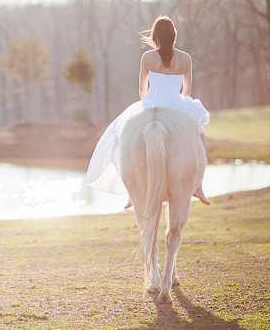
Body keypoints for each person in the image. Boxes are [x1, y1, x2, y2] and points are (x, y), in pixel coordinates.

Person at [84, 16, 210, 208]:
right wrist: (181, 103)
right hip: (177, 103)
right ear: (174, 35)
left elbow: (142, 89)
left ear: (155, 36)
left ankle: (131, 191)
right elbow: (187, 91)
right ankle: (198, 186)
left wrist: (147, 104)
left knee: (120, 138)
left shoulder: (147, 57)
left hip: (151, 103)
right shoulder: (185, 58)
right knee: (200, 136)